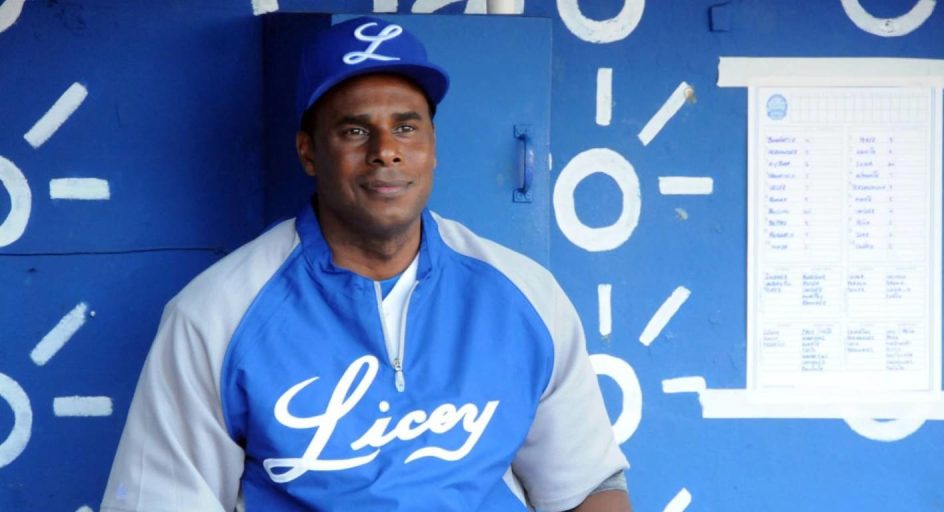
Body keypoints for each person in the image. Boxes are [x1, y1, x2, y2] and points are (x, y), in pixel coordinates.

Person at [101, 15, 629, 512]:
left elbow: (587, 488)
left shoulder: (524, 296)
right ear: (308, 152)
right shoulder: (216, 314)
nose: (385, 151)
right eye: (355, 131)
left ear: (433, 147)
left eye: (407, 128)